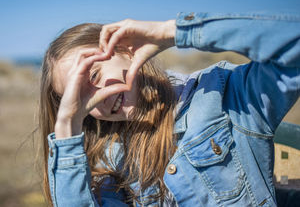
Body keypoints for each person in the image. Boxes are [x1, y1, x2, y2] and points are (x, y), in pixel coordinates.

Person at [39, 12, 300, 207]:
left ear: (125, 50)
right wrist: (66, 128)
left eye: (93, 75)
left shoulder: (224, 94)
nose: (97, 99)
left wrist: (174, 32)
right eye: (78, 96)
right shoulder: (110, 159)